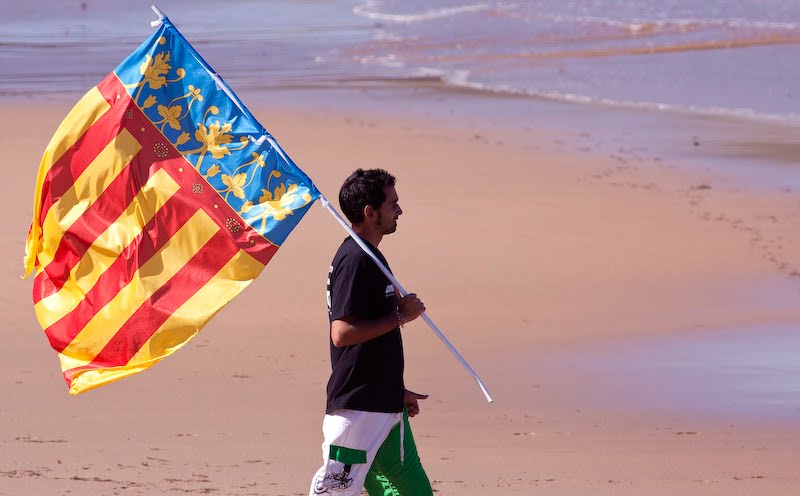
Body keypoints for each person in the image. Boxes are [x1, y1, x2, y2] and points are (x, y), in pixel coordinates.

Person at [309, 169, 433, 496]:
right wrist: (400, 316)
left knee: (413, 491)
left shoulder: (370, 256)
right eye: (392, 204)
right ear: (370, 212)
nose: (399, 210)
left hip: (383, 403)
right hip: (359, 409)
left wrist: (394, 390)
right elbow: (341, 333)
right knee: (335, 492)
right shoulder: (355, 260)